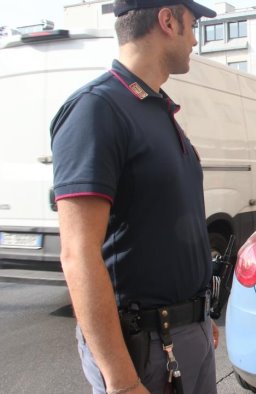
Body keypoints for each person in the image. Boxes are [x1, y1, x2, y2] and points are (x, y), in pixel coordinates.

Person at [50, 1, 218, 393]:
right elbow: (77, 253)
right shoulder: (97, 109)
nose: (195, 40)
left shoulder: (156, 108)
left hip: (186, 335)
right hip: (146, 349)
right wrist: (122, 381)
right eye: (192, 26)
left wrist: (198, 316)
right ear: (167, 20)